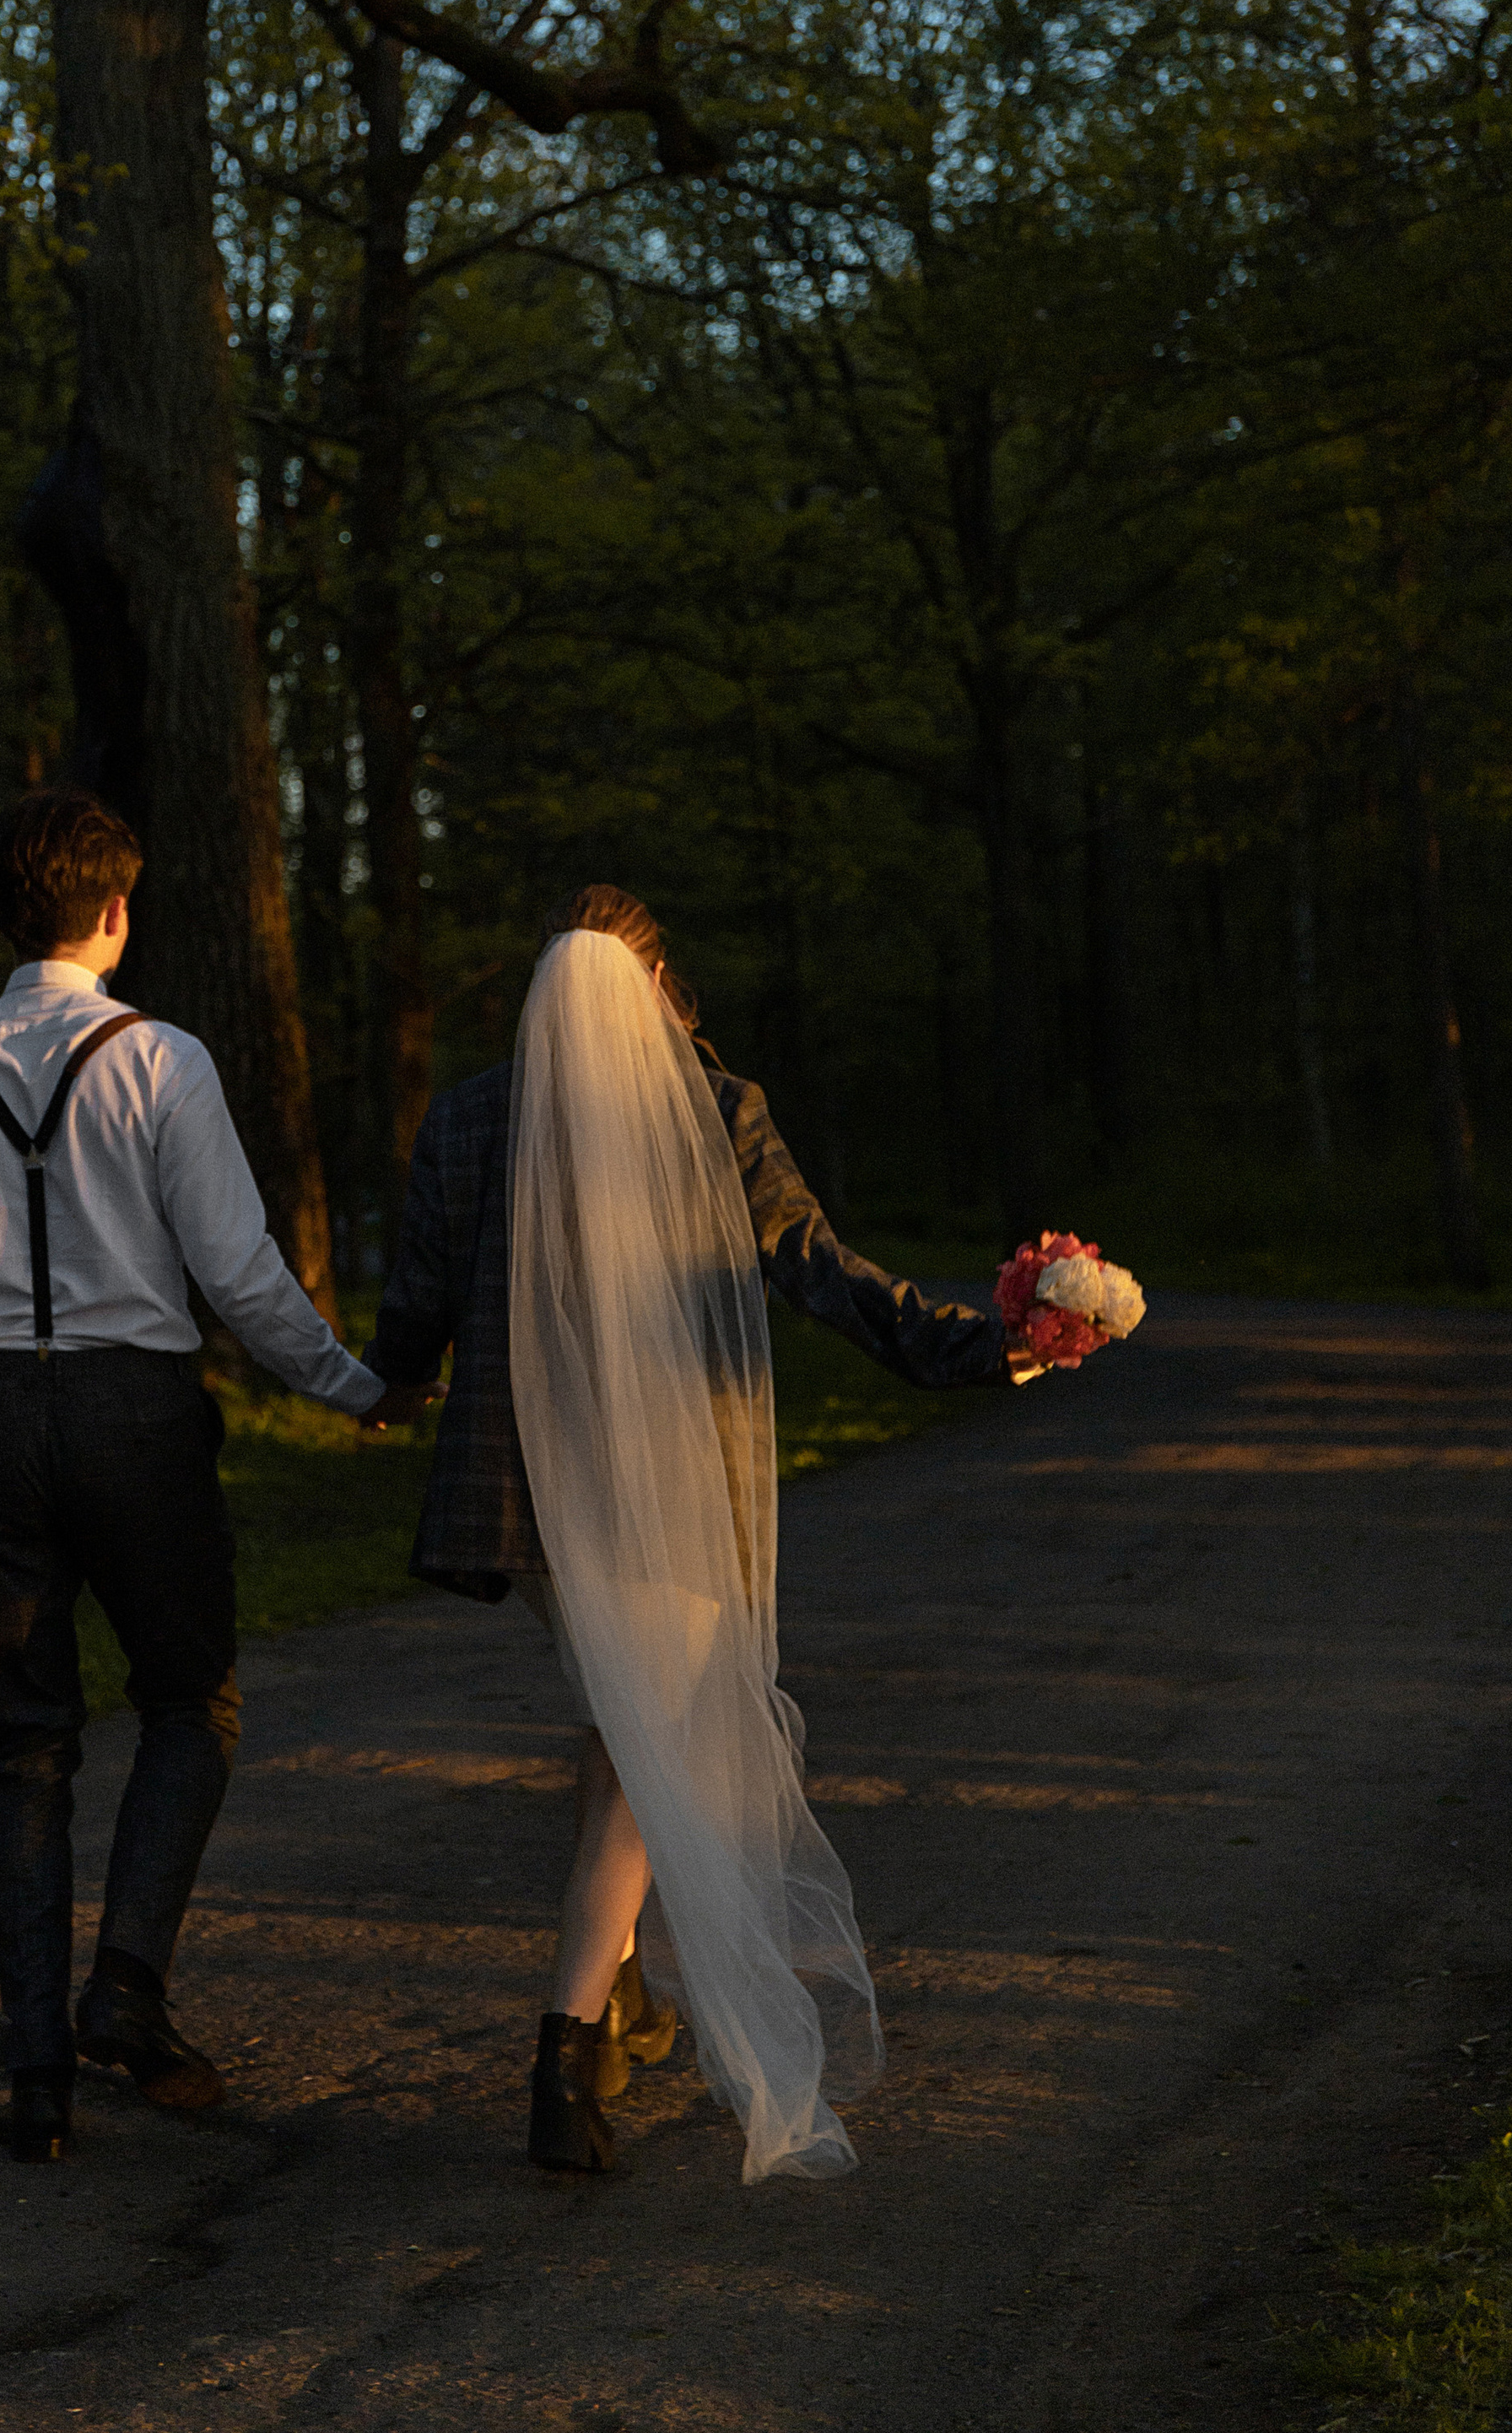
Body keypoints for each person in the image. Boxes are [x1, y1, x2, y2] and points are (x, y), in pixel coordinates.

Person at [367, 884, 1041, 2185]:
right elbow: (819, 1269)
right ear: (663, 989)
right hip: (669, 1490)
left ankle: (615, 2003)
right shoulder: (715, 1109)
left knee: (621, 1725)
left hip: (525, 1496)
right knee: (648, 1751)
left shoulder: (464, 1118)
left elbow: (417, 1305)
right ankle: (563, 2053)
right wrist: (977, 1347)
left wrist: (384, 1389)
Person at [0, 789, 439, 2164]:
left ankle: (38, 2072)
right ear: (110, 912)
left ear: (4, 915)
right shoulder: (163, 1059)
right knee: (189, 1701)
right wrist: (356, 1388)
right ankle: (128, 1987)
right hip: (134, 1416)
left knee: (25, 1741)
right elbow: (239, 1276)